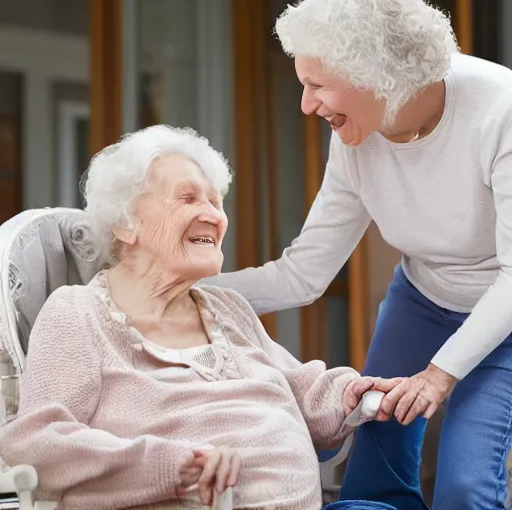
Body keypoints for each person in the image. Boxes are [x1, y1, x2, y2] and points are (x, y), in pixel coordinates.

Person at [204, 0, 512, 508]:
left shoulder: (499, 111)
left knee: (465, 483)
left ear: (377, 75)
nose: (306, 105)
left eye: (316, 85)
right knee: (372, 475)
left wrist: (439, 375)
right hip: (422, 296)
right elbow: (303, 273)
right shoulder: (354, 136)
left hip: (505, 309)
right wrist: (185, 291)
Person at [0, 126, 399, 510]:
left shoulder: (227, 309)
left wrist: (351, 392)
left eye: (216, 202)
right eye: (188, 199)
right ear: (125, 223)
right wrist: (173, 464)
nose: (213, 216)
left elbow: (302, 392)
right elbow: (38, 442)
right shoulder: (78, 314)